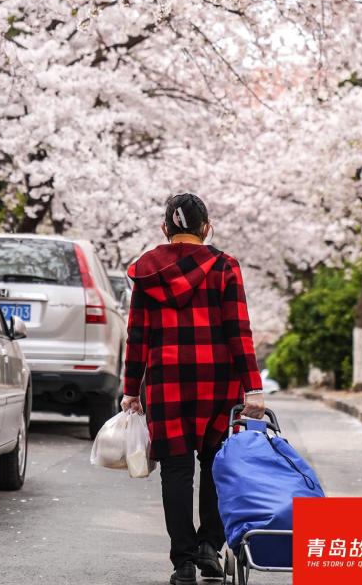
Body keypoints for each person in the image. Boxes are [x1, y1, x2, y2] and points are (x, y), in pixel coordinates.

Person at [121, 193, 265, 585]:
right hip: (219, 383)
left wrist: (131, 388)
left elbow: (138, 336)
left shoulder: (147, 273)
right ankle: (209, 548)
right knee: (217, 465)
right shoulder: (224, 267)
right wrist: (253, 388)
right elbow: (239, 331)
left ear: (166, 228)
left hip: (167, 383)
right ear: (206, 227)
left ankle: (182, 561)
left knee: (177, 470)